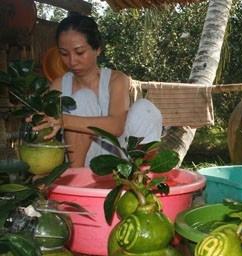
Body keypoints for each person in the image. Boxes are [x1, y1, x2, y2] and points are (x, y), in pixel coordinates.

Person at [34, 15, 163, 167]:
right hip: (82, 163)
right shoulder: (58, 87)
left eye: (80, 52)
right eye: (64, 54)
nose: (72, 61)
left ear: (97, 49)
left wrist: (63, 120)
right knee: (82, 97)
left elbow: (116, 126)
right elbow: (45, 134)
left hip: (120, 162)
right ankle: (77, 181)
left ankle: (140, 178)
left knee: (145, 108)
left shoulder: (117, 79)